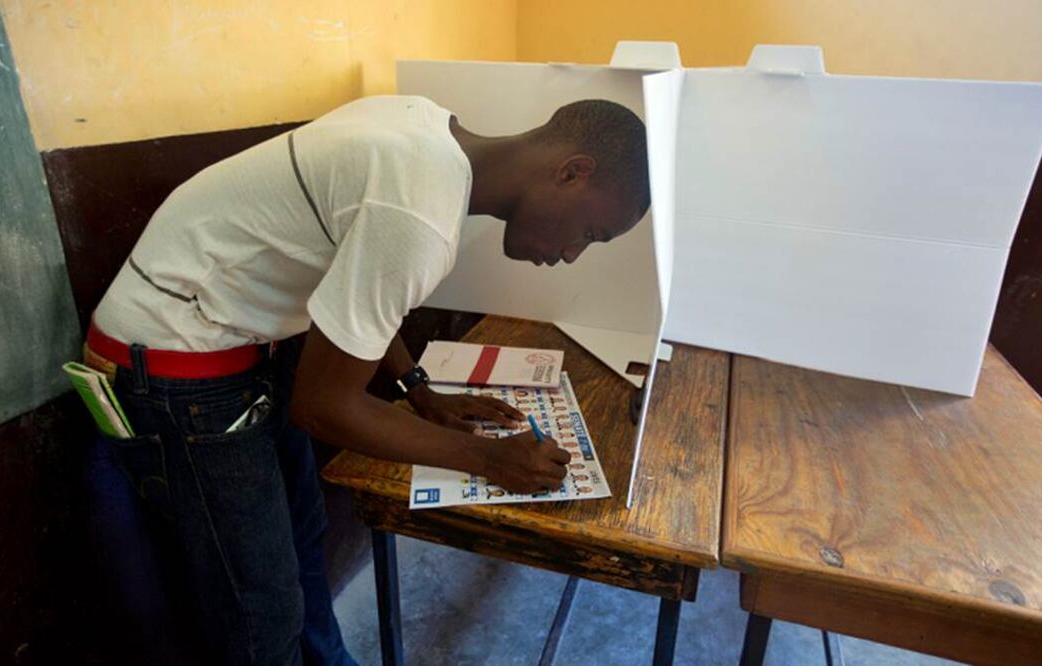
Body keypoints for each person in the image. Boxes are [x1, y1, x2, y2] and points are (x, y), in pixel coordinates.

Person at [84, 94, 650, 664]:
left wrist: (418, 389)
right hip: (174, 365)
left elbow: (360, 289)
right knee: (260, 611)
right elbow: (324, 408)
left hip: (242, 346)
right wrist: (492, 459)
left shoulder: (425, 127)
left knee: (304, 547)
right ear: (574, 172)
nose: (574, 254)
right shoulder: (420, 212)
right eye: (591, 232)